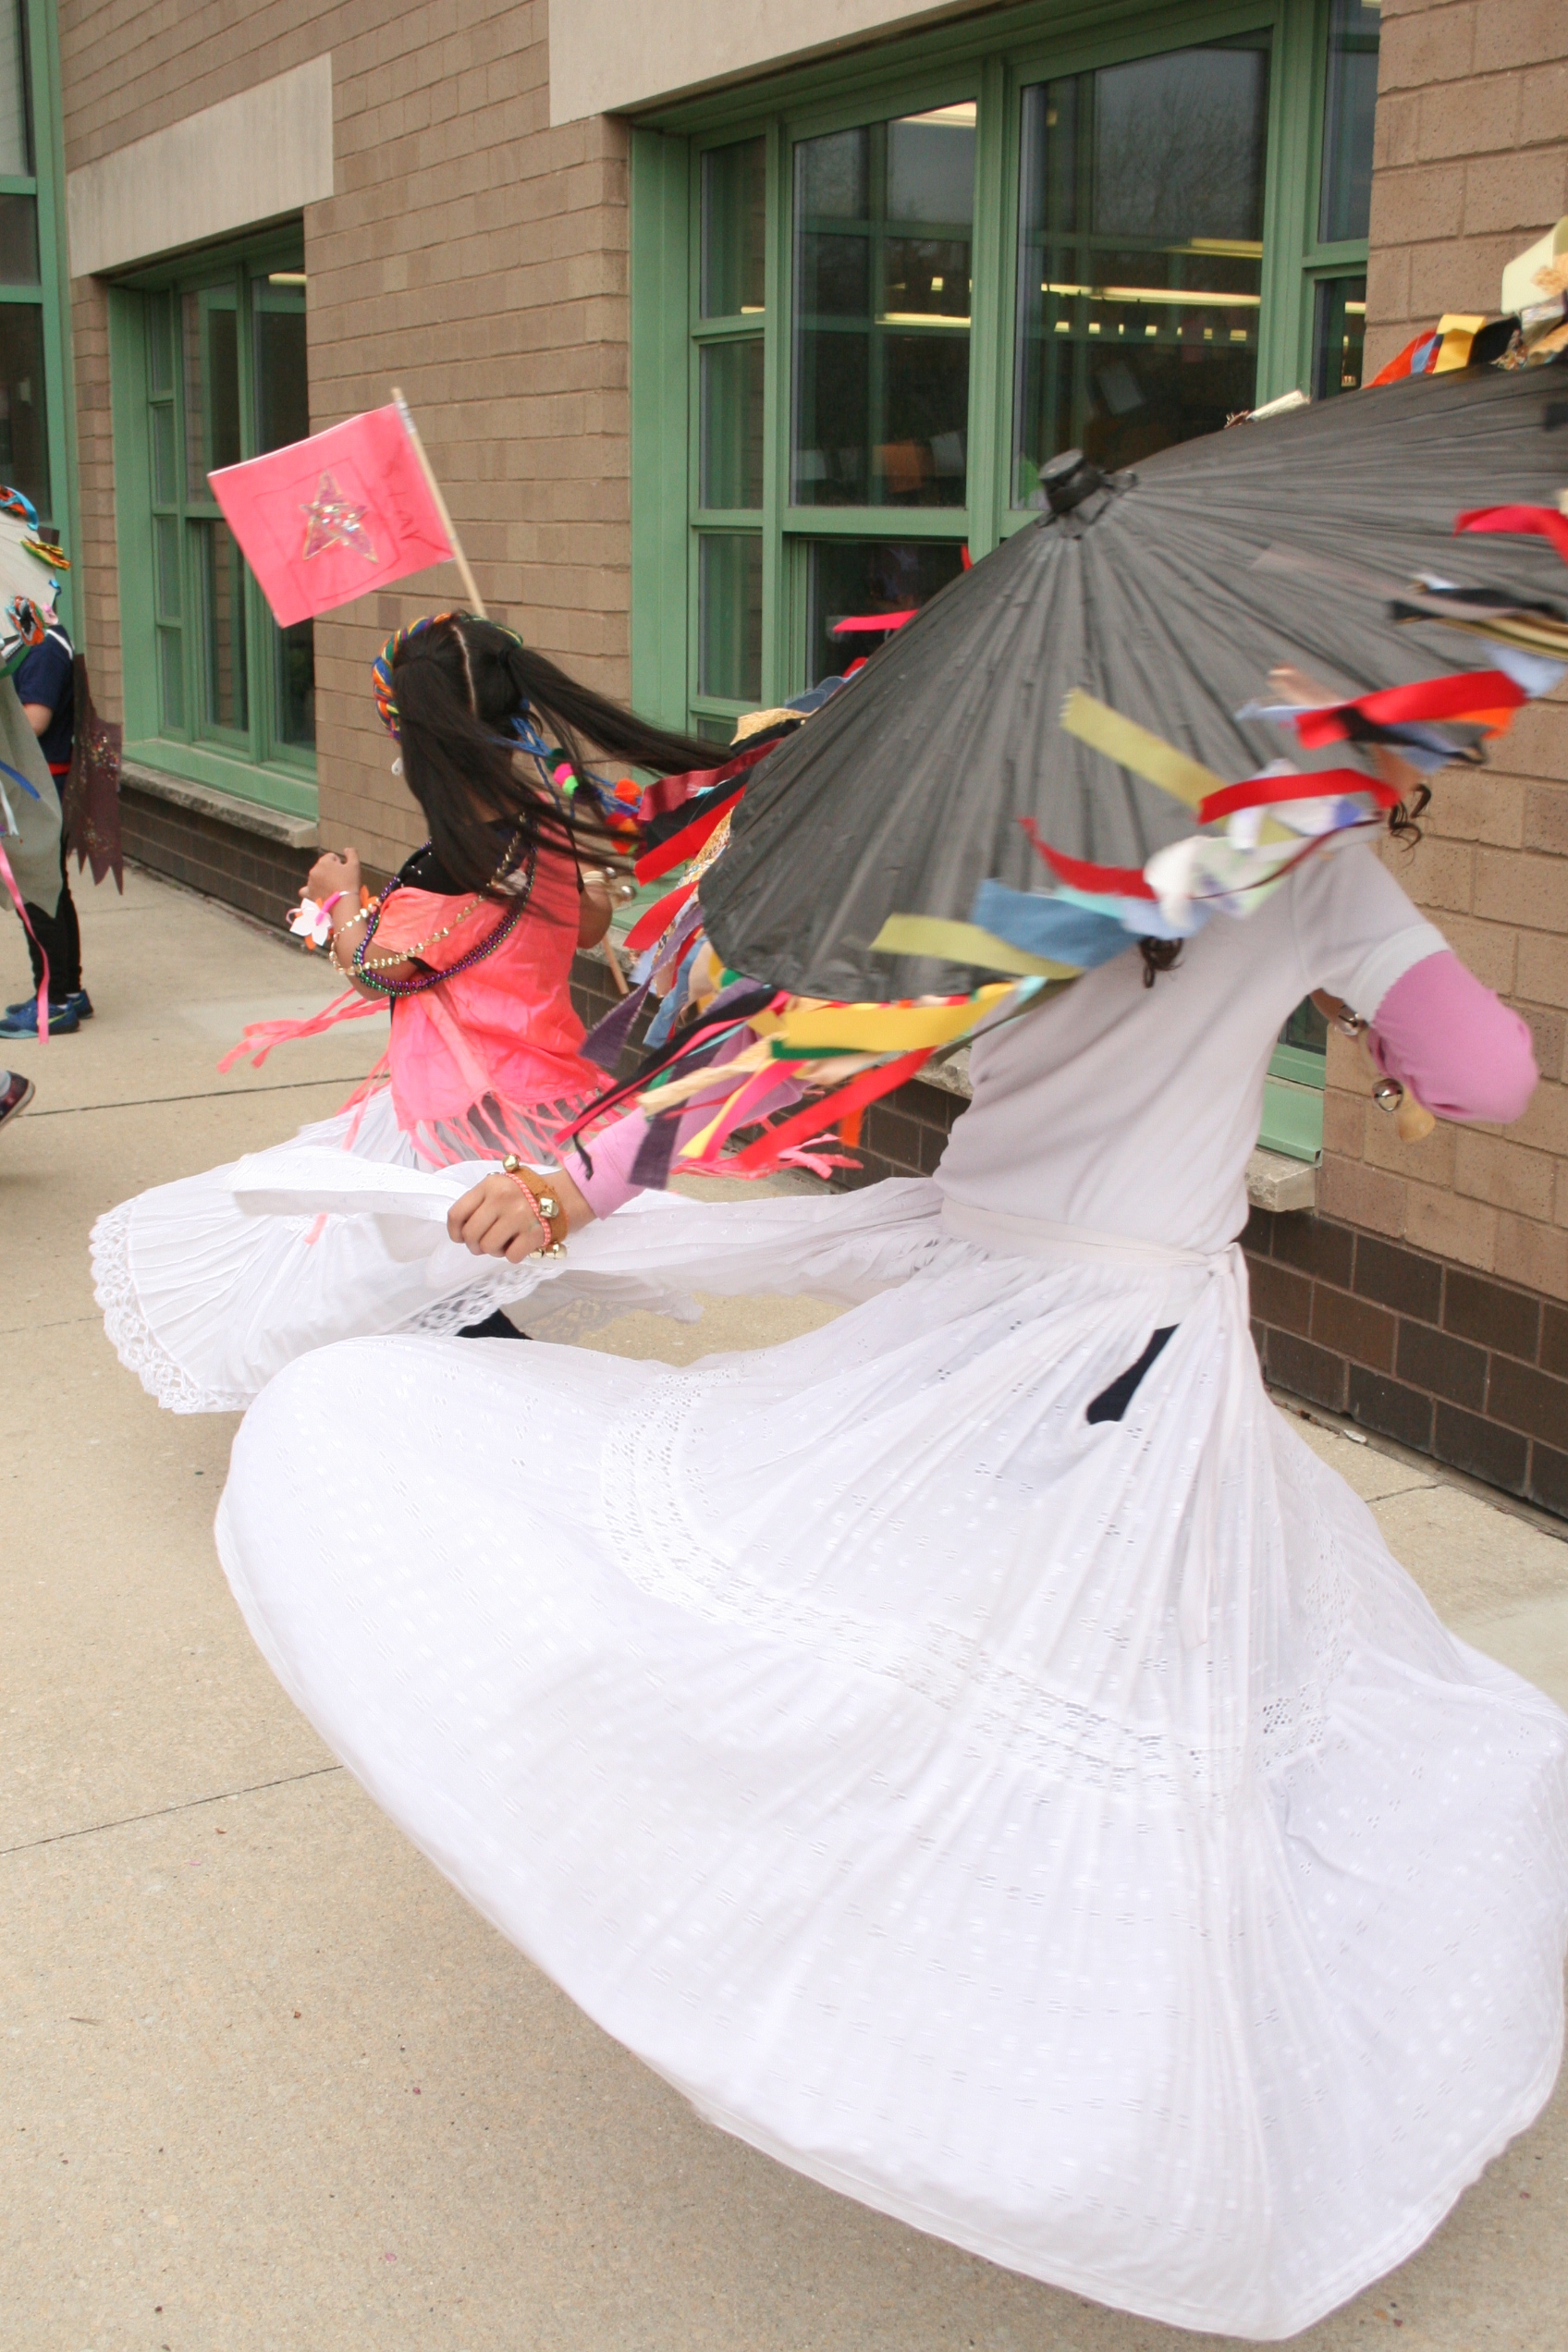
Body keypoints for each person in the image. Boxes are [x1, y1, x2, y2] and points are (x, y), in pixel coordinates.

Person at [210, 783, 1567, 2338]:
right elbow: (1490, 1076)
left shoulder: (1001, 836)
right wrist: (1382, 1024)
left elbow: (779, 1047)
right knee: (1131, 1676)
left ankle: (918, 1962)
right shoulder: (1308, 861)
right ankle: (1083, 2057)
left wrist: (574, 1177)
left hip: (964, 1301)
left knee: (948, 1622)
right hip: (1128, 1336)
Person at [90, 612, 715, 1410]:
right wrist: (587, 883)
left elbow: (379, 975)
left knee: (416, 1274)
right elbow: (587, 927)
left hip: (460, 1110)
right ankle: (477, 1396)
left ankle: (515, 1409)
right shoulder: (544, 826)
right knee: (453, 1269)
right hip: (537, 1085)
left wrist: (339, 900)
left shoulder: (460, 860)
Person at [0, 599, 89, 1037]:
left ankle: (53, 1002)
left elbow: (34, 719)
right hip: (40, 784)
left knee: (36, 889)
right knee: (50, 887)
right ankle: (68, 989)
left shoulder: (42, 646)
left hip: (42, 788)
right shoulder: (33, 641)